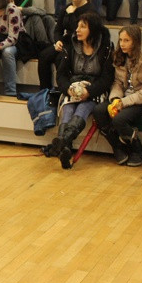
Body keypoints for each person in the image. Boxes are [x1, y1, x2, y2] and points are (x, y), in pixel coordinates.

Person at [47, 11, 114, 169]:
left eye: (82, 27)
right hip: (72, 88)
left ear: (93, 29)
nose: (77, 30)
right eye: (77, 26)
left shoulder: (106, 48)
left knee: (83, 109)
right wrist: (67, 89)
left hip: (94, 91)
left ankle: (62, 143)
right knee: (68, 110)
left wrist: (89, 92)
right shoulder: (70, 46)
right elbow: (61, 75)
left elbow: (107, 79)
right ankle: (65, 148)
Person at [92, 25, 142, 166]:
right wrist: (116, 98)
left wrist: (124, 102)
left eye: (126, 40)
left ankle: (137, 149)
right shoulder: (120, 57)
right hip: (122, 99)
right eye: (121, 40)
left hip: (140, 102)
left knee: (119, 119)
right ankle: (117, 146)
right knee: (98, 111)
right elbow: (117, 82)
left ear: (135, 41)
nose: (122, 44)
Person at [38, 0, 93, 89]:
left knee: (61, 59)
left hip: (80, 43)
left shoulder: (89, 10)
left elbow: (79, 31)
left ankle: (63, 91)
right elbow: (58, 30)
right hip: (66, 41)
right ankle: (45, 91)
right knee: (44, 56)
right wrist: (57, 40)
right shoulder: (67, 7)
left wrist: (72, 14)